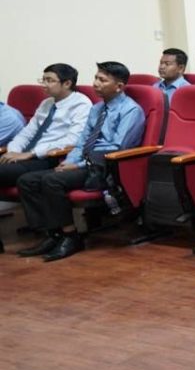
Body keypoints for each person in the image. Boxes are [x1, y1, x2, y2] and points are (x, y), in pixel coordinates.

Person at [16, 62, 146, 262]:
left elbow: (117, 148)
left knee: (52, 181)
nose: (96, 83)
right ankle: (52, 234)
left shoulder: (131, 110)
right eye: (96, 78)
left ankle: (71, 237)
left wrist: (77, 165)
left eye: (102, 80)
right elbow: (82, 141)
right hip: (85, 161)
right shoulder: (96, 109)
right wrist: (69, 161)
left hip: (104, 166)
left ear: (119, 86)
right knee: (27, 180)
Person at [1, 65, 92, 239]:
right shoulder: (47, 103)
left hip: (49, 157)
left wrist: (31, 153)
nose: (44, 85)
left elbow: (72, 140)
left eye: (49, 80)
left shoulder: (81, 104)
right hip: (26, 157)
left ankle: (46, 231)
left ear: (67, 83)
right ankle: (42, 229)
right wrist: (13, 151)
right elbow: (27, 132)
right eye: (43, 80)